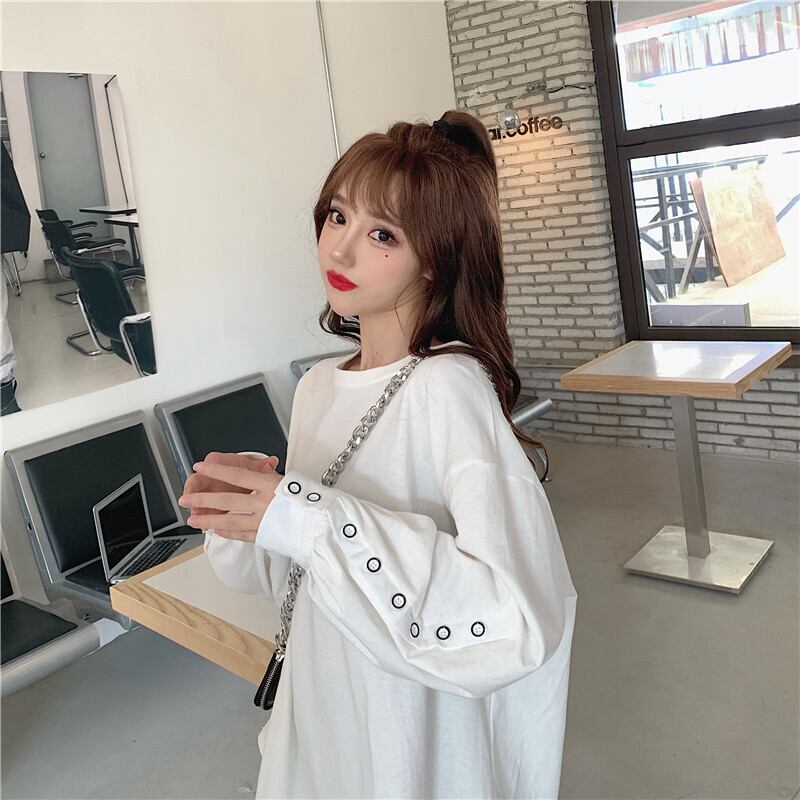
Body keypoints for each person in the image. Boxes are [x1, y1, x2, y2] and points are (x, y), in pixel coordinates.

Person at [179, 110, 578, 799]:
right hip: (323, 698)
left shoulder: (449, 387)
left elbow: (513, 618)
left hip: (407, 718)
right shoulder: (317, 385)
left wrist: (305, 516)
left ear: (436, 256)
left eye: (381, 234)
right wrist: (248, 510)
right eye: (338, 217)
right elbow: (302, 579)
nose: (339, 251)